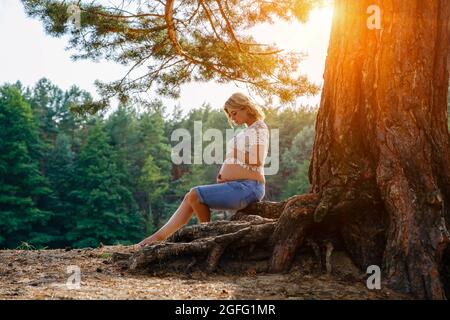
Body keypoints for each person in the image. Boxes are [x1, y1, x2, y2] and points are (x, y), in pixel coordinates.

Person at [137, 92, 269, 247]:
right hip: (240, 185)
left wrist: (233, 153)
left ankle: (206, 239)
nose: (233, 119)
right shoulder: (247, 130)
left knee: (195, 194)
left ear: (245, 107)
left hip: (249, 187)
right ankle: (158, 237)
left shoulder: (259, 127)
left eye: (234, 113)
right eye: (230, 116)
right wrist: (227, 175)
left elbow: (257, 160)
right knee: (190, 198)